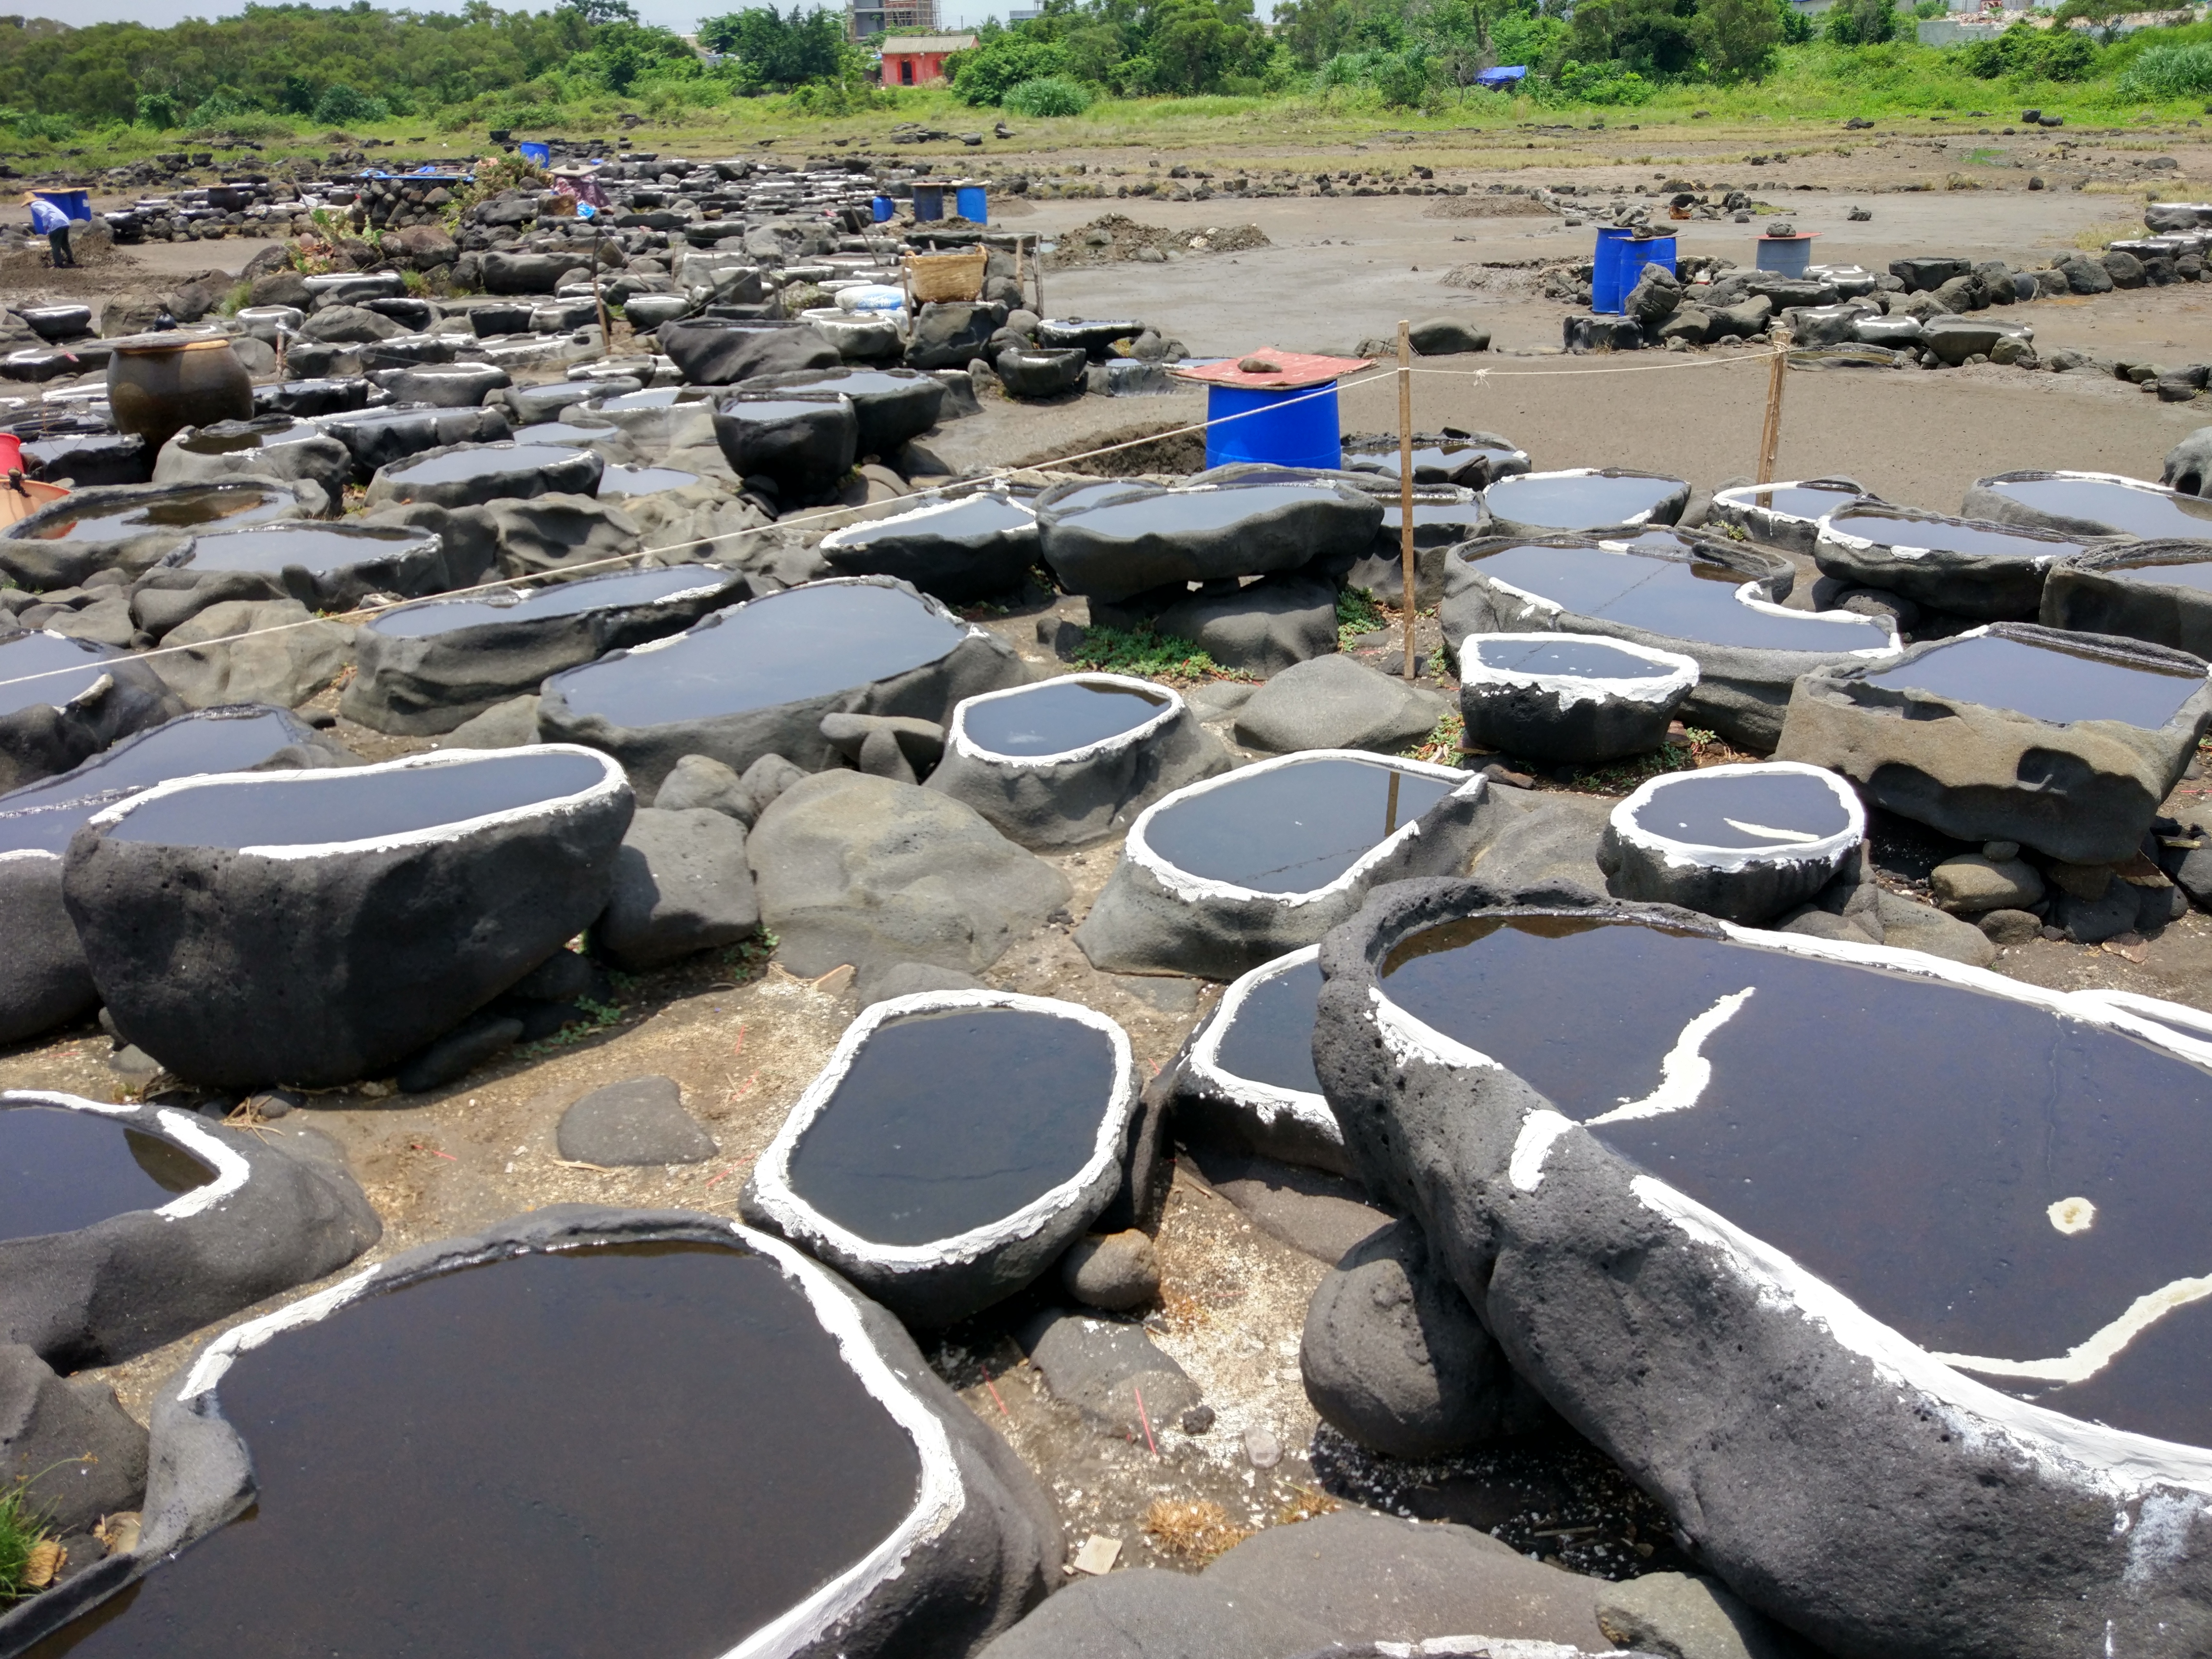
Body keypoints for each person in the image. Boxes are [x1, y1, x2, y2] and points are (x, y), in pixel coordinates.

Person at [21, 192, 72, 268]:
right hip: (65, 222)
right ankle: (71, 260)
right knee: (65, 243)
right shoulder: (44, 203)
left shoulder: (34, 205)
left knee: (55, 245)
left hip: (56, 223)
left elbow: (45, 214)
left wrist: (46, 226)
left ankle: (58, 264)